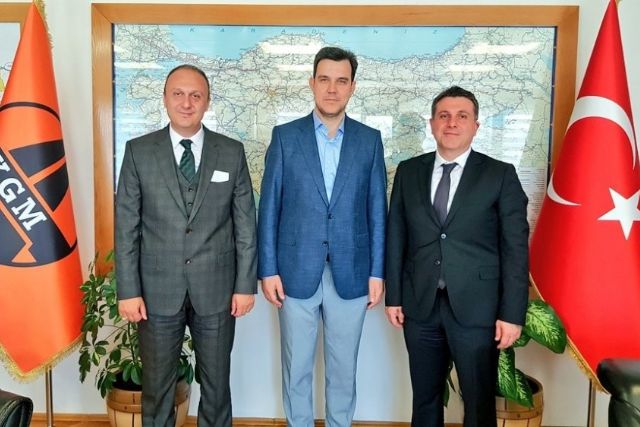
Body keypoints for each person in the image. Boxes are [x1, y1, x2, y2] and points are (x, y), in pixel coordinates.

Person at [116, 64, 257, 427]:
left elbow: (245, 225)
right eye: (178, 94)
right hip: (156, 292)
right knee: (157, 388)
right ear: (165, 99)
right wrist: (128, 291)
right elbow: (127, 228)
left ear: (207, 101)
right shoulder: (138, 152)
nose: (186, 102)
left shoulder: (231, 152)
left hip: (217, 290)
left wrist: (245, 286)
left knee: (217, 387)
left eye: (196, 95)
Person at [385, 86, 529, 427]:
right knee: (425, 398)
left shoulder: (500, 174)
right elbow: (396, 236)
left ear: (475, 126)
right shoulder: (409, 171)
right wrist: (394, 297)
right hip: (420, 305)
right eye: (444, 116)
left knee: (478, 402)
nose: (452, 123)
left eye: (462, 116)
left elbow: (515, 248)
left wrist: (512, 314)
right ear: (432, 124)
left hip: (477, 308)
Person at [258, 46, 387, 427]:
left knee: (343, 371)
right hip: (294, 271)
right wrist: (268, 269)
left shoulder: (369, 140)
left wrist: (377, 272)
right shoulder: (285, 137)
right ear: (312, 83)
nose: (332, 89)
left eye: (341, 81)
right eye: (325, 79)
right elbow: (269, 208)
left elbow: (377, 210)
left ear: (352, 87)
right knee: (296, 369)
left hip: (353, 272)